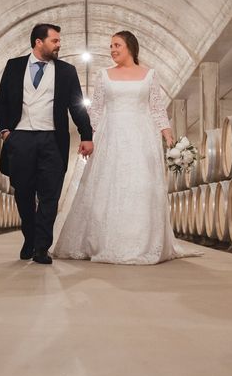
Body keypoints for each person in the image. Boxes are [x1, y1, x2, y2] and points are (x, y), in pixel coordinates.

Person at [52, 31, 200, 265]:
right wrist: (88, 137)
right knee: (108, 187)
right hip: (111, 138)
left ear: (130, 46)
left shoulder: (150, 75)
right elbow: (97, 109)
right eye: (111, 46)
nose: (112, 49)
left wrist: (169, 136)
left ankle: (141, 242)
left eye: (117, 45)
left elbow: (157, 108)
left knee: (140, 186)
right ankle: (105, 241)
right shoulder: (104, 75)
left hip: (142, 138)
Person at [0, 23, 94, 264]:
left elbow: (76, 105)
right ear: (39, 42)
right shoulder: (14, 66)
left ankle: (41, 247)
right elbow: (1, 101)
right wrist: (6, 132)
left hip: (53, 140)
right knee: (24, 192)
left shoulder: (66, 71)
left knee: (50, 194)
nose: (59, 45)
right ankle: (29, 237)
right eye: (55, 41)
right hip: (21, 138)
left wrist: (86, 135)